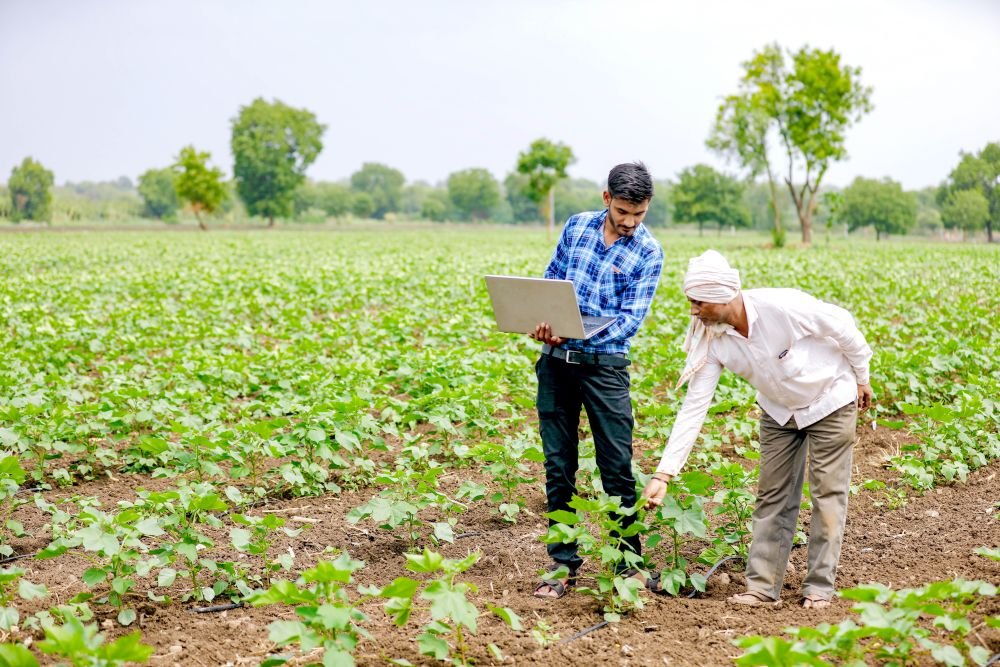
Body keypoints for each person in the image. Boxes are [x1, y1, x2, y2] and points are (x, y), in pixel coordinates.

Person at [641, 250, 873, 608]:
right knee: (772, 497)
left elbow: (842, 327)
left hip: (830, 398)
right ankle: (762, 588)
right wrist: (664, 473)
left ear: (723, 296)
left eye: (697, 301)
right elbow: (694, 407)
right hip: (779, 411)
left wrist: (862, 378)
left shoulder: (782, 307)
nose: (692, 310)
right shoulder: (712, 338)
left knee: (827, 494)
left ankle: (819, 588)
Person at [530, 162, 664, 599]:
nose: (629, 222)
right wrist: (543, 322)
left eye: (638, 214)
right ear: (607, 199)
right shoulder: (577, 227)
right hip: (555, 362)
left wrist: (579, 331)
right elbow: (552, 280)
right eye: (623, 211)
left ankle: (629, 563)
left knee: (616, 467)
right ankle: (562, 564)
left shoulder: (648, 253)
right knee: (558, 466)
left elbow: (629, 321)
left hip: (605, 369)